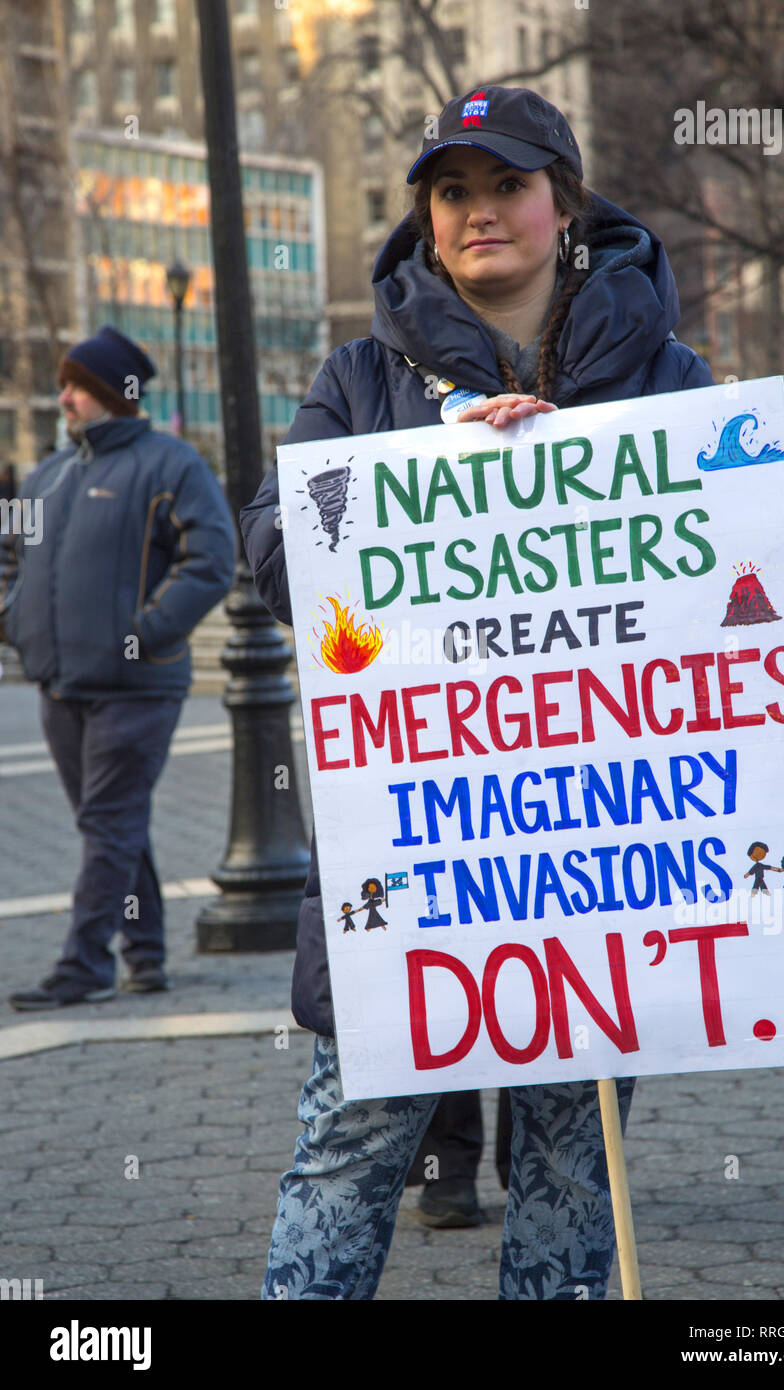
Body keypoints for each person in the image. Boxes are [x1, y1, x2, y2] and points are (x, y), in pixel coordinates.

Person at [240, 85, 715, 1300]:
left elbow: (722, 575)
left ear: (564, 205)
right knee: (345, 1159)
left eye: (506, 183)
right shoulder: (357, 378)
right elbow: (280, 557)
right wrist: (440, 470)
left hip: (597, 854)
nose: (478, 211)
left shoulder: (668, 379)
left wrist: (573, 478)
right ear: (426, 219)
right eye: (451, 191)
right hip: (408, 847)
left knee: (571, 1166)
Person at [0, 325, 236, 1010]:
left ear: (111, 393)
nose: (64, 396)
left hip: (138, 685)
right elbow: (10, 554)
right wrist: (16, 623)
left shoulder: (173, 465)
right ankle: (146, 953)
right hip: (59, 683)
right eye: (65, 385)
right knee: (112, 825)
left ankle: (84, 964)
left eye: (76, 386)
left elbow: (211, 561)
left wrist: (146, 631)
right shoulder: (45, 473)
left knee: (108, 824)